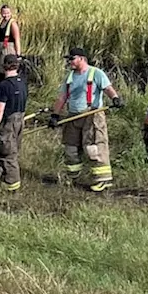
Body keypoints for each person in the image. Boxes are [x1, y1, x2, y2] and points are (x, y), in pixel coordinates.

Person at [50, 47, 125, 192]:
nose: (69, 62)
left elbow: (107, 88)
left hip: (92, 115)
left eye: (72, 59)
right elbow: (62, 97)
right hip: (73, 116)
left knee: (93, 148)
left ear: (82, 59)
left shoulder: (96, 73)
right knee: (70, 148)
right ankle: (73, 177)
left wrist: (115, 98)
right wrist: (55, 115)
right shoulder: (69, 77)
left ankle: (103, 179)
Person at [0, 54, 27, 192]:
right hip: (20, 119)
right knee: (14, 149)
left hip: (8, 122)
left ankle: (11, 183)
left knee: (4, 152)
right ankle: (5, 177)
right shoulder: (22, 81)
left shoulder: (4, 85)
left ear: (4, 66)